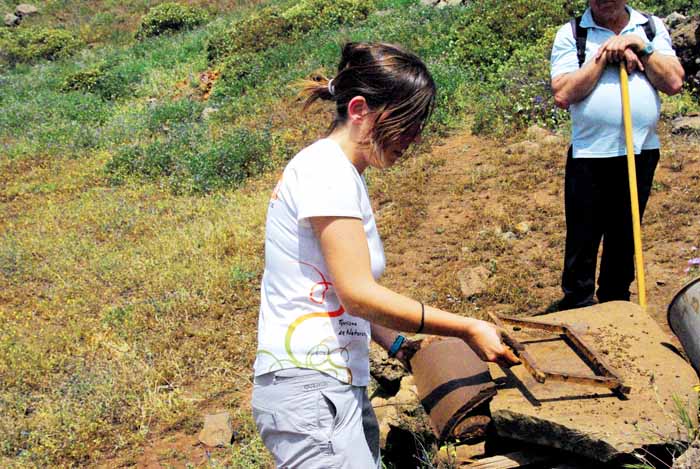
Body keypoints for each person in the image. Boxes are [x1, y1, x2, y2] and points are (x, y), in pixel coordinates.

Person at [252, 42, 519, 468]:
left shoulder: (333, 171)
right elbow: (358, 293)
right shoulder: (326, 172)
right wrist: (466, 328)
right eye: (405, 123)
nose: (412, 138)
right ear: (359, 110)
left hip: (329, 384)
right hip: (313, 387)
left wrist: (398, 345)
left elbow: (331, 290)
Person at [549, 0, 684, 310]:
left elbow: (674, 81)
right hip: (590, 154)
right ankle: (578, 304)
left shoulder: (650, 27)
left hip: (641, 152)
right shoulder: (572, 33)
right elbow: (563, 93)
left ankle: (617, 302)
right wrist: (605, 56)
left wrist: (642, 47)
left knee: (625, 232)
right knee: (583, 238)